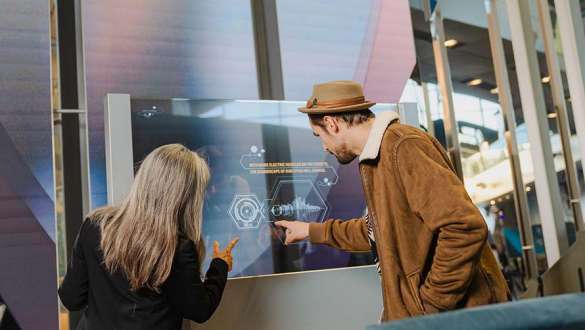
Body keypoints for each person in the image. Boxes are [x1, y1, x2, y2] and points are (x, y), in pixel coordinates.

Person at [276, 80, 509, 321]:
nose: (324, 147)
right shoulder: (375, 158)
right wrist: (309, 231)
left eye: (319, 136)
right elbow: (379, 232)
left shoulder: (402, 146)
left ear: (331, 124)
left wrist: (429, 305)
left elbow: (464, 227)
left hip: (457, 318)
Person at [59, 144, 239, 329]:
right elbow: (199, 310)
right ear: (185, 196)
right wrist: (220, 265)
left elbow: (71, 299)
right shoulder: (177, 247)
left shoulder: (95, 226)